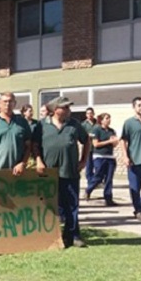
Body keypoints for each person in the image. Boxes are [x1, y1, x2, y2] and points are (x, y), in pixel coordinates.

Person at [34, 97, 90, 248]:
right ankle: (50, 236)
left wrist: (83, 160)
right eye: (65, 108)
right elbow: (35, 145)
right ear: (55, 109)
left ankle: (73, 236)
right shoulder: (42, 125)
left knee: (71, 206)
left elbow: (86, 141)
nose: (68, 111)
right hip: (48, 174)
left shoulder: (74, 125)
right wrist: (39, 160)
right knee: (50, 206)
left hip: (69, 171)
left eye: (68, 108)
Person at [0, 92, 32, 176]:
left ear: (15, 104)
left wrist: (23, 163)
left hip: (17, 171)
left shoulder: (22, 122)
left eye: (10, 101)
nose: (7, 104)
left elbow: (28, 146)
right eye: (5, 101)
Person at [84, 113, 119, 206]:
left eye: (109, 118)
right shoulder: (97, 129)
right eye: (107, 118)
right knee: (98, 176)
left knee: (109, 178)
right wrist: (109, 141)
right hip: (99, 156)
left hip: (110, 157)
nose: (109, 120)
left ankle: (108, 198)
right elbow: (96, 144)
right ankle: (88, 189)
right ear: (101, 120)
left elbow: (114, 144)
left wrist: (115, 141)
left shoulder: (112, 131)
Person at [82, 107, 97, 191]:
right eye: (88, 113)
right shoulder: (83, 124)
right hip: (88, 148)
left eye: (91, 113)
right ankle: (90, 182)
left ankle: (95, 181)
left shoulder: (97, 123)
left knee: (97, 166)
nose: (89, 115)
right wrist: (88, 135)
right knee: (89, 166)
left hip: (97, 148)